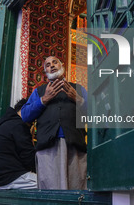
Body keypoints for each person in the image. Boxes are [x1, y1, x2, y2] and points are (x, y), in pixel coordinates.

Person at [21, 56, 87, 190]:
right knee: (50, 190)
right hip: (48, 149)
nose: (51, 65)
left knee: (76, 189)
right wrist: (44, 99)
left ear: (62, 65)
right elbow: (25, 115)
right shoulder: (38, 92)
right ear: (45, 72)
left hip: (75, 147)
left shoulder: (78, 89)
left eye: (55, 62)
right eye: (47, 64)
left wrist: (78, 99)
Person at [0, 98, 37, 190]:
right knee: (50, 184)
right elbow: (29, 158)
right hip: (8, 178)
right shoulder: (18, 125)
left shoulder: (8, 124)